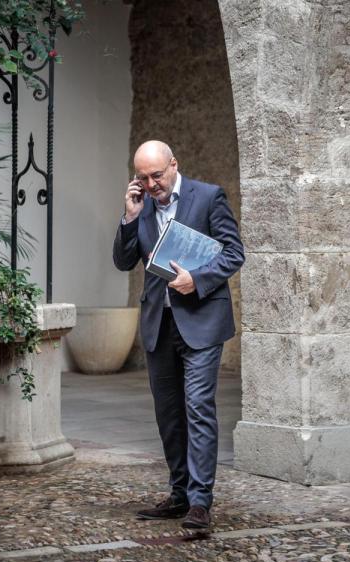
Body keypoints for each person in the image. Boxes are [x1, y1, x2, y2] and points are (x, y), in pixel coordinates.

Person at [112, 140, 245, 531]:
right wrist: (129, 216)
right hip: (159, 324)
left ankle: (201, 504)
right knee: (169, 413)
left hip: (201, 321)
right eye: (143, 178)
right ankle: (180, 493)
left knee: (198, 407)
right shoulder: (142, 206)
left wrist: (196, 279)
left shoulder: (208, 197)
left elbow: (233, 252)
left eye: (157, 175)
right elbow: (122, 261)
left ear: (174, 165)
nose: (152, 184)